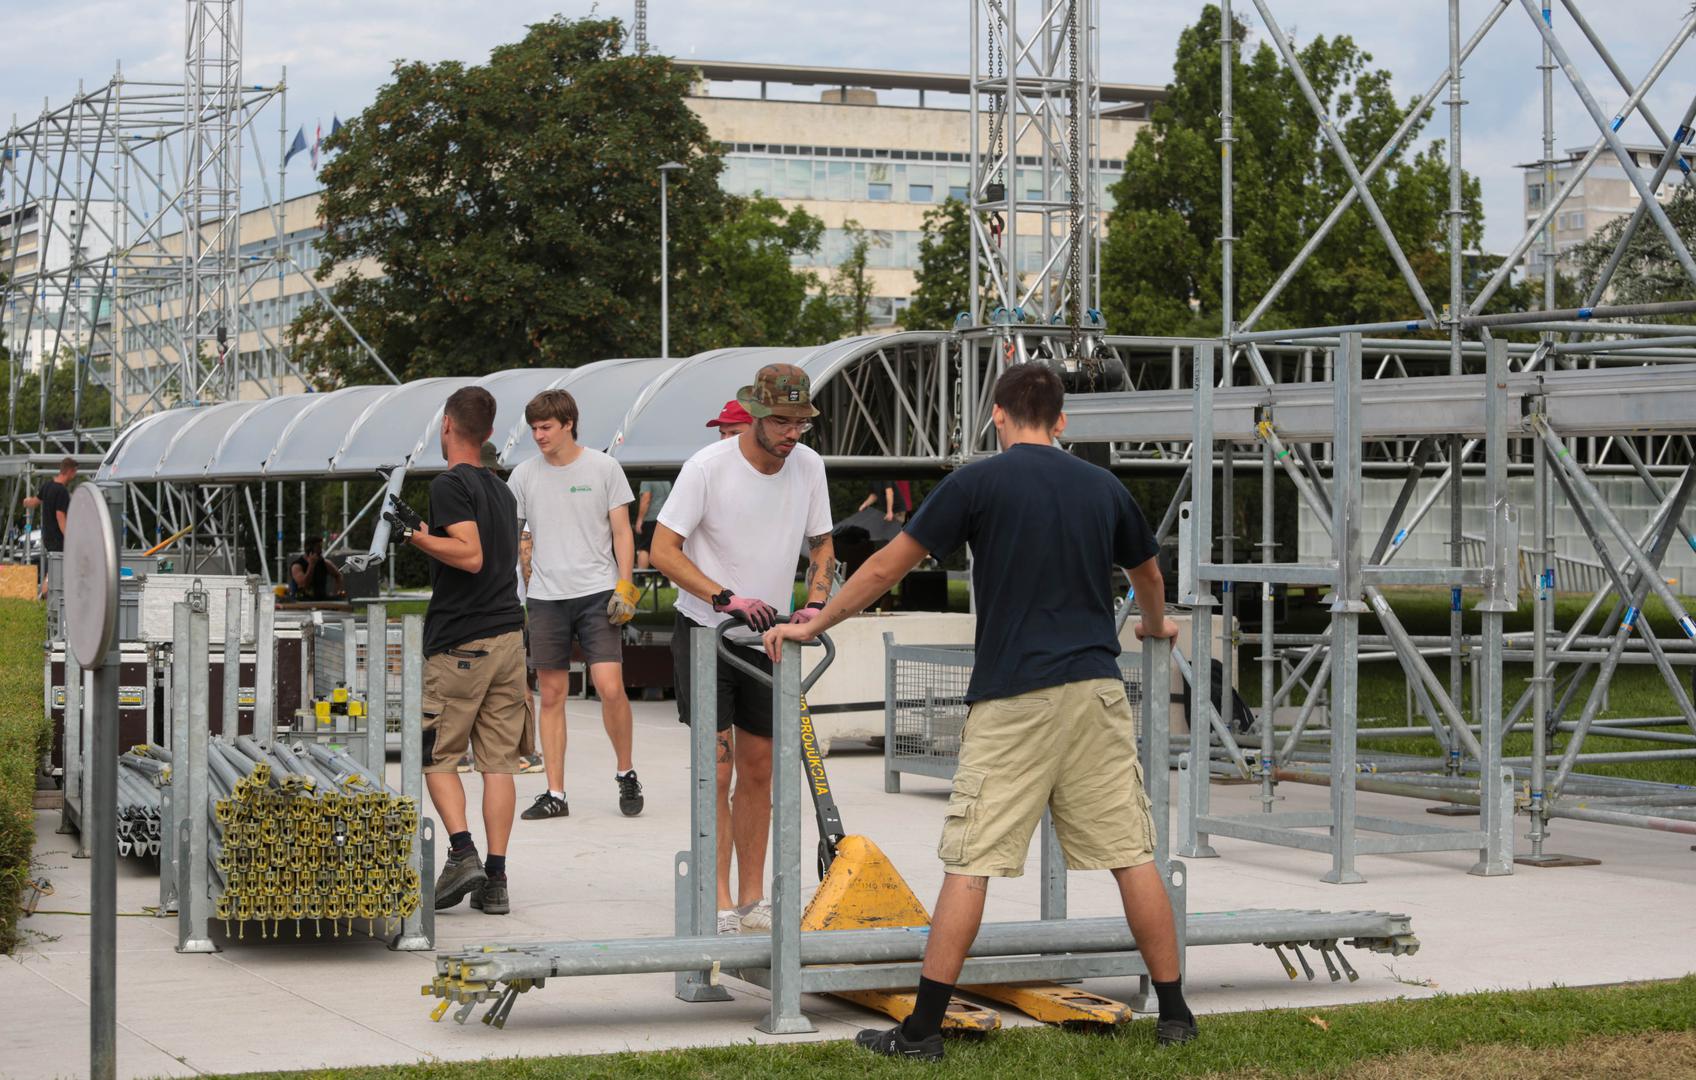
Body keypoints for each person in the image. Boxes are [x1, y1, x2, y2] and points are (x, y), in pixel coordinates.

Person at [764, 363, 1195, 1059]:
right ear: (1061, 421)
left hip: (1014, 696)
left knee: (972, 861)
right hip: (1096, 689)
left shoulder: (976, 482)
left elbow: (883, 569)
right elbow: (1148, 573)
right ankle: (1175, 1013)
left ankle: (923, 1031)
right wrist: (1152, 624)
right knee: (1131, 853)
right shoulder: (1102, 486)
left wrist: (816, 623)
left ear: (998, 415)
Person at [651, 365, 834, 934]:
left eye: (800, 422)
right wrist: (723, 597)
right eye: (781, 420)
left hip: (770, 636)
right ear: (754, 414)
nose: (791, 433)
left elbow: (822, 545)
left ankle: (753, 901)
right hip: (709, 633)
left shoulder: (809, 466)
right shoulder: (707, 468)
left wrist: (816, 604)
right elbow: (662, 549)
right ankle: (719, 898)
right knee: (716, 769)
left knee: (760, 771)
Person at [384, 386, 529, 917]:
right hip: (509, 639)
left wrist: (415, 538)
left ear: (447, 426)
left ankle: (462, 853)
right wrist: (427, 533)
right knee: (499, 764)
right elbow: (487, 555)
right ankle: (496, 880)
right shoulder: (502, 490)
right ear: (489, 433)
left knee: (434, 755)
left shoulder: (449, 484)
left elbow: (469, 555)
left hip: (461, 643)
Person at [506, 389, 644, 820]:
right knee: (551, 695)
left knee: (609, 687)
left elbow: (622, 531)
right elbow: (514, 536)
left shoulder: (603, 467)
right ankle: (556, 794)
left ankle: (626, 772)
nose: (539, 435)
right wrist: (516, 590)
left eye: (546, 427)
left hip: (598, 592)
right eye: (533, 428)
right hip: (546, 597)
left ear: (568, 423)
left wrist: (626, 586)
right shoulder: (524, 475)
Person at [23, 457, 76, 600]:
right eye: (74, 472)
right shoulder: (62, 492)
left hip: (47, 535)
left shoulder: (47, 486)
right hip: (58, 537)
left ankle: (45, 594)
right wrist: (69, 537)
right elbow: (60, 517)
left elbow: (35, 501)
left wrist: (27, 502)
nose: (74, 476)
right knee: (56, 568)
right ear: (70, 471)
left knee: (54, 567)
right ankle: (43, 595)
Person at [287, 536, 346, 600]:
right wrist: (311, 565)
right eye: (318, 548)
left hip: (321, 600)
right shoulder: (297, 566)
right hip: (302, 601)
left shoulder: (325, 563)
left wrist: (336, 592)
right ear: (310, 550)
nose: (321, 551)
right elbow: (304, 585)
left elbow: (338, 575)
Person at [634, 479, 671, 571]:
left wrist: (640, 519)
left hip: (650, 518)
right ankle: (666, 578)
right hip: (665, 519)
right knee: (663, 550)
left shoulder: (646, 480)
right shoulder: (666, 481)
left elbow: (646, 498)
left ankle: (641, 576)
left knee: (644, 548)